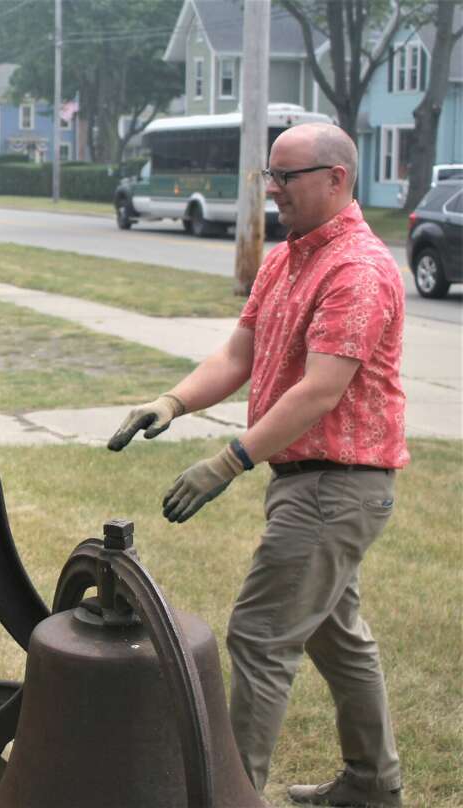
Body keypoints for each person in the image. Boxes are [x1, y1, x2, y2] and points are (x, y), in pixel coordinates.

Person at [107, 123, 406, 808]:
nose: (272, 192)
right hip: (311, 484)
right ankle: (372, 785)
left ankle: (229, 796)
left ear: (336, 179)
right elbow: (239, 356)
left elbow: (321, 391)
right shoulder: (287, 257)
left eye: (286, 178)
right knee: (336, 637)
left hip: (339, 486)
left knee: (261, 635)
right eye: (268, 177)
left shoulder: (356, 270)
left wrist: (226, 462)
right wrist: (172, 401)